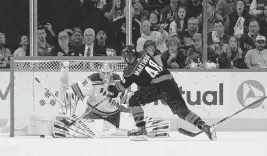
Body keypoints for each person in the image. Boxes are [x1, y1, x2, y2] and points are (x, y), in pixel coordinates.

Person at [107, 45, 217, 141]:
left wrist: (112, 90)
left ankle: (141, 129)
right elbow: (144, 75)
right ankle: (205, 127)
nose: (124, 59)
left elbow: (121, 87)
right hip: (169, 81)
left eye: (125, 56)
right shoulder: (144, 54)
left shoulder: (129, 71)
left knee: (133, 100)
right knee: (182, 112)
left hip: (158, 86)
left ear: (129, 56)